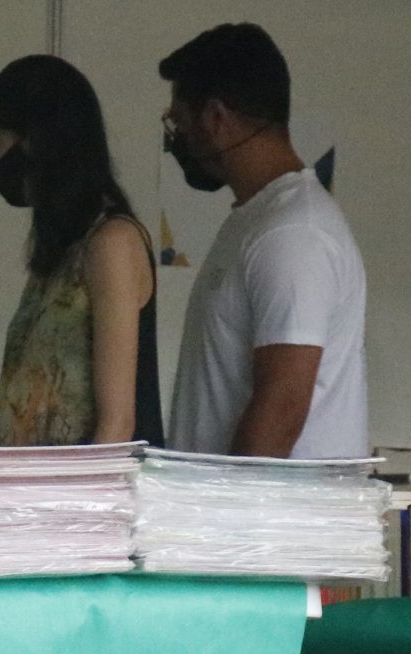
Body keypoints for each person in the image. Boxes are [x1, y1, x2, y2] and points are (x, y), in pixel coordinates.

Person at [158, 23, 369, 459]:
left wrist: (234, 521)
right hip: (222, 514)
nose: (177, 140)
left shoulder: (293, 233)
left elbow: (283, 406)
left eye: (179, 122)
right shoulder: (256, 218)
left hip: (271, 523)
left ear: (216, 118)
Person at [0, 55, 162, 447]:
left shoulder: (111, 243)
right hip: (31, 498)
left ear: (35, 140)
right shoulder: (61, 250)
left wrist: (74, 506)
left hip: (79, 502)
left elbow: (117, 425)